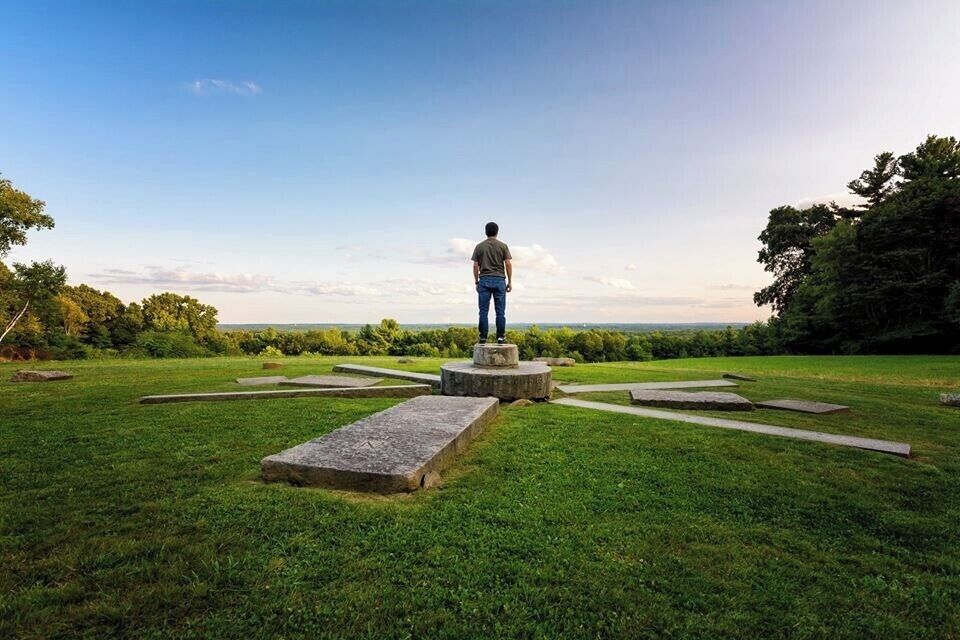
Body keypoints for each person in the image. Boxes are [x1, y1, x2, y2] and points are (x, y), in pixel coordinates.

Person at [471, 221, 512, 344]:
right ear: (497, 232)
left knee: (483, 311)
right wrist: (509, 282)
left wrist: (476, 281)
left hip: (484, 280)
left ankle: (483, 337)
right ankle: (500, 337)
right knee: (500, 311)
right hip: (499, 280)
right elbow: (508, 264)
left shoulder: (479, 247)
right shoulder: (503, 246)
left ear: (485, 232)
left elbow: (475, 266)